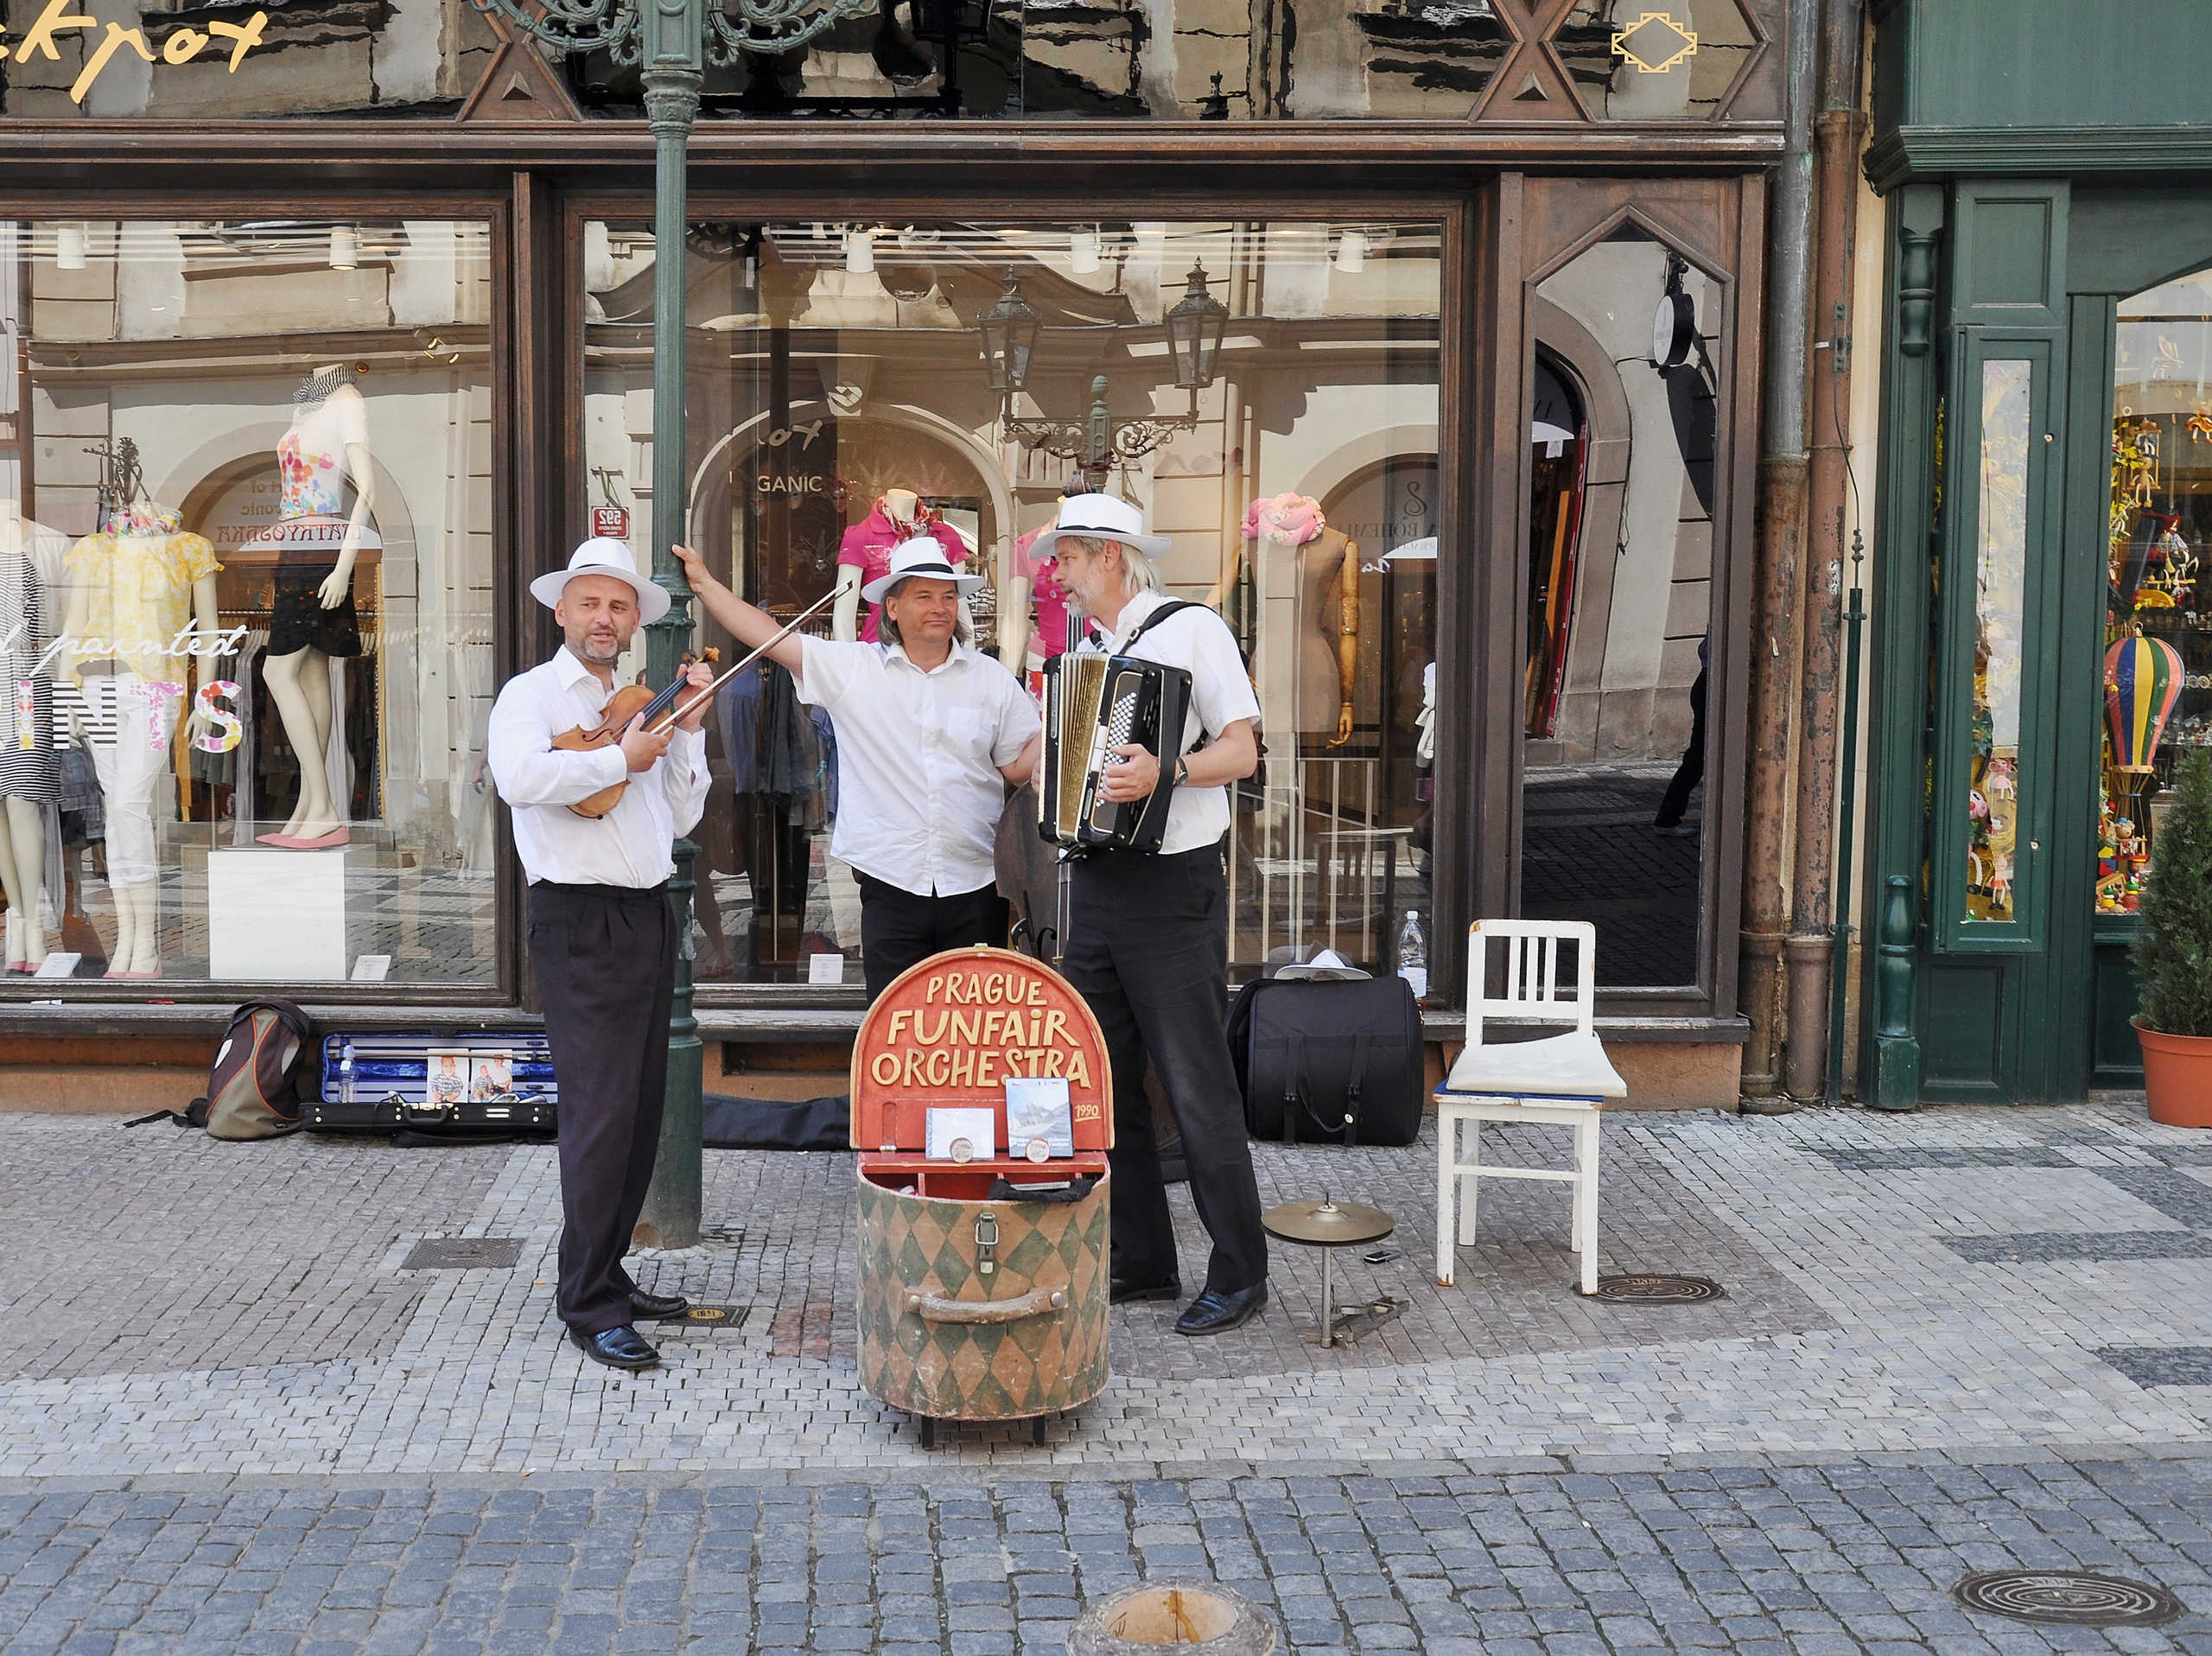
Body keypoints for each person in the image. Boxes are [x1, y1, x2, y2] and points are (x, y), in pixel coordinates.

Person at [1041, 494, 1269, 1337]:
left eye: (1064, 555)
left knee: (1195, 1086)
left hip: (1173, 888)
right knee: (1106, 1083)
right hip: (1098, 885)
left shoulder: (1190, 628)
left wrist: (1164, 772)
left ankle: (1242, 1272)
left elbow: (1243, 749)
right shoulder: (1096, 651)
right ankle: (1141, 1261)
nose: (1054, 572)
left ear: (1108, 555)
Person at [486, 537, 714, 1373]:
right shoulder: (531, 695)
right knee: (599, 1119)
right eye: (591, 602)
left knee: (640, 1111)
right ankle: (586, 1302)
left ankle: (607, 1269)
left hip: (647, 916)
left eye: (619, 605)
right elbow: (518, 778)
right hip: (579, 920)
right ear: (563, 611)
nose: (605, 617)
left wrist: (682, 736)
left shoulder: (639, 704)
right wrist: (622, 755)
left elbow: (679, 821)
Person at [673, 537, 1041, 1002]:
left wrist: (1058, 736)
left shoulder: (991, 679)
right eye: (924, 596)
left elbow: (1015, 767)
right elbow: (770, 637)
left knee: (971, 1034)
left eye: (949, 596)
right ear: (892, 607)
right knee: (893, 1028)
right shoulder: (855, 669)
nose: (940, 607)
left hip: (977, 885)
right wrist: (705, 585)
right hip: (891, 885)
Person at [1654, 634, 1708, 837]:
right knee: (1697, 759)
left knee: (1698, 759)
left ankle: (1668, 817)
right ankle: (1667, 818)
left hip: (1707, 682)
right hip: (1711, 683)